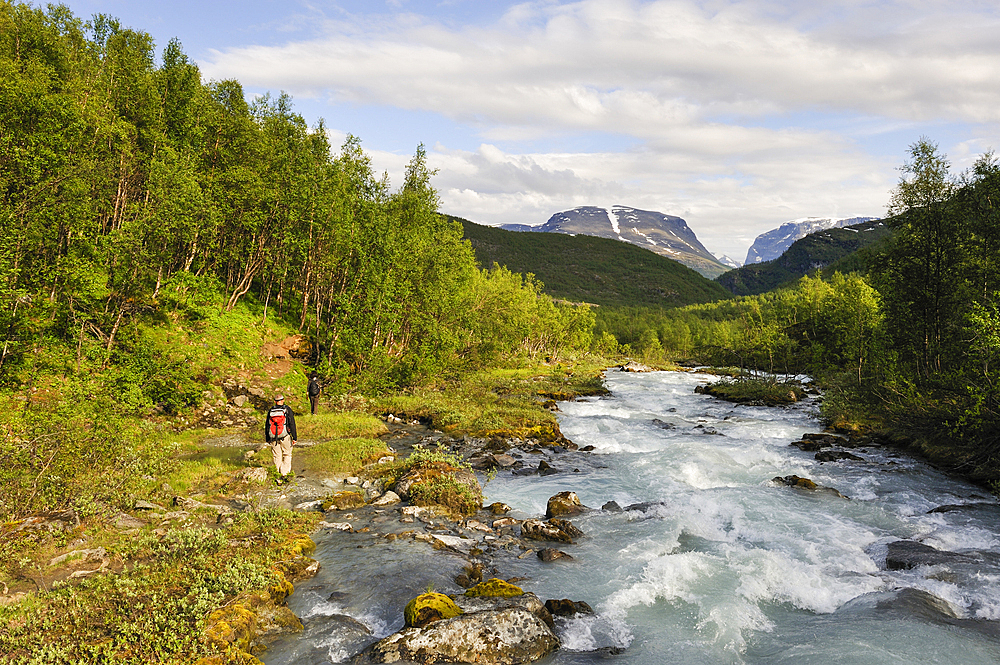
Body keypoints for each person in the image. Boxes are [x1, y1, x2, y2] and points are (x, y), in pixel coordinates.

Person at [264, 394, 297, 484]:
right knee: (287, 454)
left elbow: (267, 425)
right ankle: (284, 474)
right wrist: (294, 437)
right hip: (285, 436)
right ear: (283, 400)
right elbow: (292, 423)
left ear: (275, 401)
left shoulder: (271, 410)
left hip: (273, 437)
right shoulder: (287, 409)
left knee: (277, 456)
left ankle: (278, 476)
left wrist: (267, 437)